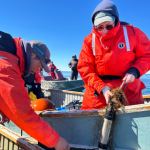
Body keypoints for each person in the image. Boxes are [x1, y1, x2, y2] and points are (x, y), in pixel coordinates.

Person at [0, 31, 70, 150]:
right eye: (39, 65)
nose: (38, 70)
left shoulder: (8, 55)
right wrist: (55, 140)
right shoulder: (6, 64)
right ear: (32, 54)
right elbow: (22, 112)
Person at [77, 0, 150, 110]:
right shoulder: (88, 40)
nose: (104, 31)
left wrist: (135, 71)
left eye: (109, 26)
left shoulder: (134, 33)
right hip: (98, 95)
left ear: (116, 21)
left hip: (128, 93)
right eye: (100, 27)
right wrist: (102, 88)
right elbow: (85, 68)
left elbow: (147, 55)